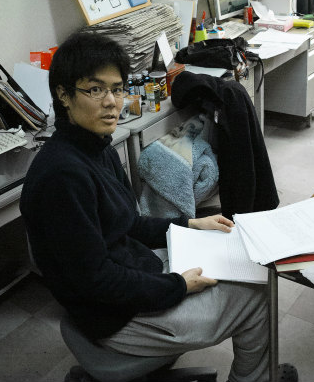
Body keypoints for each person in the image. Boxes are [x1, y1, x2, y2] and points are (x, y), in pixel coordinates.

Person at [20, 32, 274, 382]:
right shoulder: (62, 177)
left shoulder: (96, 146)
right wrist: (177, 286)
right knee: (257, 297)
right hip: (112, 315)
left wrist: (190, 225)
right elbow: (96, 282)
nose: (112, 102)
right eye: (95, 90)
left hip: (135, 273)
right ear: (63, 95)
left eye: (117, 89)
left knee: (242, 262)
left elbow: (128, 223)